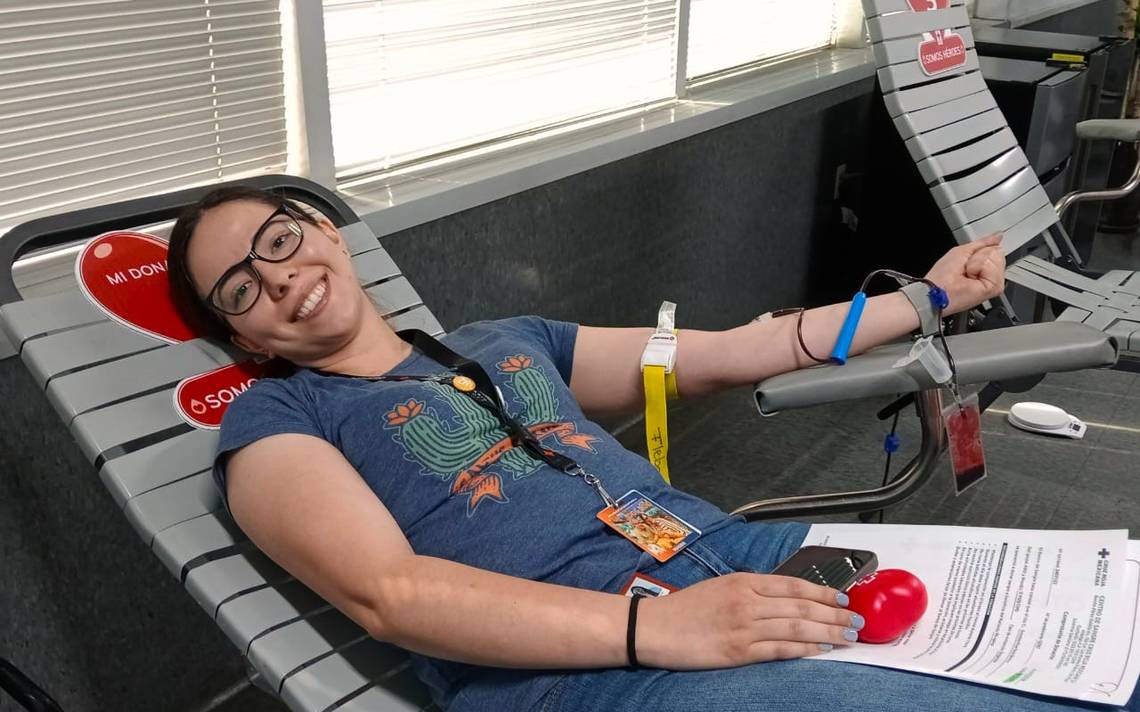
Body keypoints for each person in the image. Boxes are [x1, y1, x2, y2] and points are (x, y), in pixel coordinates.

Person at [167, 186, 1136, 712]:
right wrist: (658, 631)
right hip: (580, 668)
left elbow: (724, 353)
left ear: (325, 232)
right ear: (242, 337)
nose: (278, 278)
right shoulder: (273, 423)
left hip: (732, 556)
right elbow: (392, 595)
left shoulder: (507, 338)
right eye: (240, 289)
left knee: (1101, 638)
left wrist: (931, 296)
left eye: (279, 239)